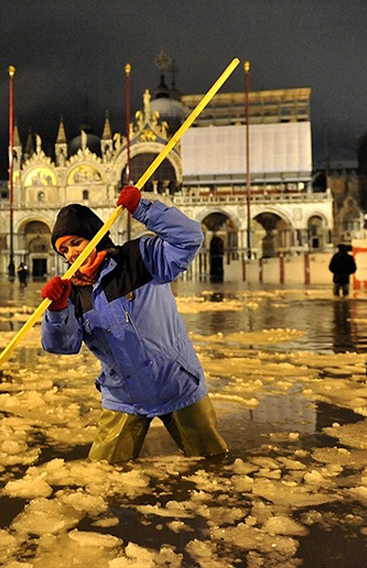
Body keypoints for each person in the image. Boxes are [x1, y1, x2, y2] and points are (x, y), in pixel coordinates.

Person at [40, 186, 228, 463]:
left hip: (176, 384)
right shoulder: (74, 293)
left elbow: (189, 239)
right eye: (64, 250)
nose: (70, 254)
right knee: (104, 473)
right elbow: (62, 346)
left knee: (213, 464)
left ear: (95, 237)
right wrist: (56, 310)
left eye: (76, 243)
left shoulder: (139, 257)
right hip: (123, 396)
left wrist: (145, 209)